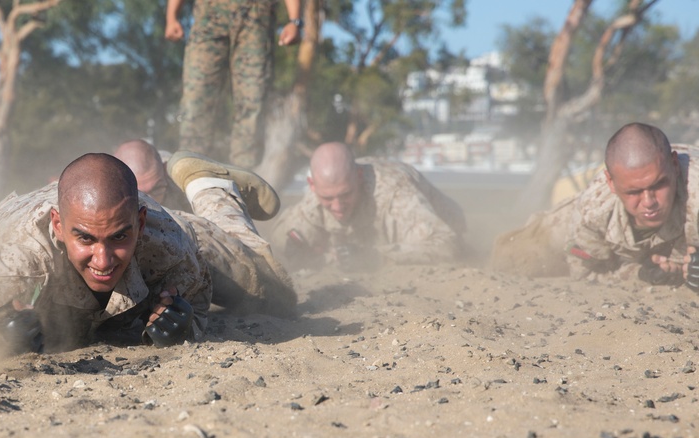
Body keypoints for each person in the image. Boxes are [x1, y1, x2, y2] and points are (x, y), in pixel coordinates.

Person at [0, 152, 296, 373]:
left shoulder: (166, 242)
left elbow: (195, 302)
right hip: (35, 220)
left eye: (118, 239)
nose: (103, 259)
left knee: (275, 293)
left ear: (138, 224)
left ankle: (210, 187)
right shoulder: (14, 262)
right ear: (59, 226)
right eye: (85, 239)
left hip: (166, 219)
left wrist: (182, 326)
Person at [490, 123, 699, 285]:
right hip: (595, 221)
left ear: (674, 166)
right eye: (633, 192)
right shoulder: (594, 209)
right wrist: (640, 274)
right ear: (612, 183)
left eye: (658, 185)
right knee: (519, 258)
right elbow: (587, 273)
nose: (649, 202)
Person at [268, 142, 466, 270]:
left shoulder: (395, 191)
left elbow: (446, 243)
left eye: (345, 195)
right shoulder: (316, 197)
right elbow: (279, 238)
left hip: (447, 223)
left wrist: (375, 256)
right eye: (328, 198)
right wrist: (294, 249)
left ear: (359, 177)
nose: (337, 206)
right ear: (313, 186)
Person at [166, 0, 302, 168]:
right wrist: (172, 17)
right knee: (196, 98)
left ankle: (244, 177)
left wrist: (294, 20)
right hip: (209, 15)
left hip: (256, 15)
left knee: (252, 99)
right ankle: (192, 171)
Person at [112, 139, 190, 211]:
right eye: (140, 195)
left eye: (157, 189)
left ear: (165, 171)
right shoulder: (110, 197)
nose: (151, 203)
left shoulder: (181, 182)